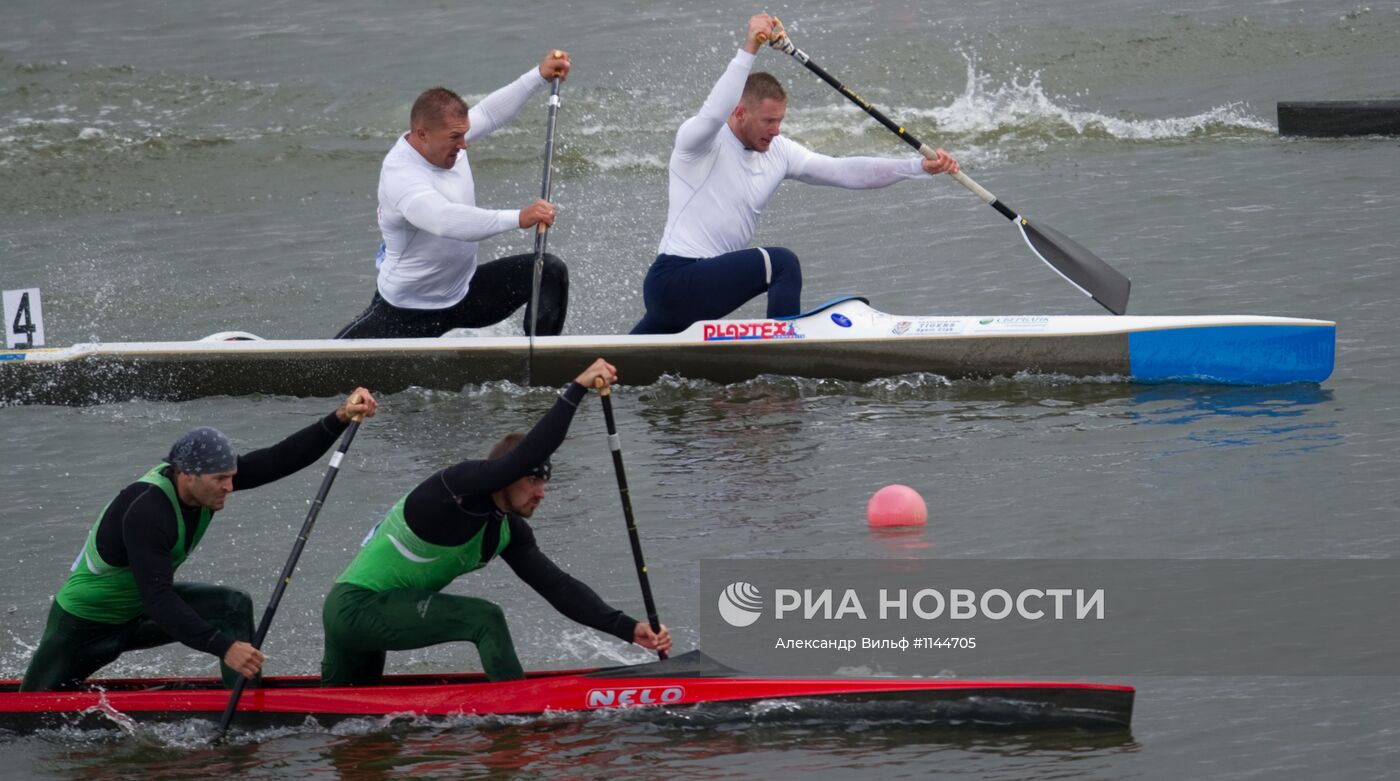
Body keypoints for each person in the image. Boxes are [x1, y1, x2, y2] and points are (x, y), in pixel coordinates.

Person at [320, 358, 671, 686]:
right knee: (485, 618)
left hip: (372, 616)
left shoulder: (507, 531)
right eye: (532, 480)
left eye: (544, 482)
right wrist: (577, 388)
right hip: (356, 607)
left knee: (343, 725)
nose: (541, 493)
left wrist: (629, 628)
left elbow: (558, 588)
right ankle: (522, 717)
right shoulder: (453, 489)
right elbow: (527, 455)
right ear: (509, 474)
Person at [20, 390, 380, 692]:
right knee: (29, 718)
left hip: (136, 613)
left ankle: (245, 708)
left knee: (231, 606)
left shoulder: (204, 483)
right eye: (221, 479)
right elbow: (159, 599)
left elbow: (278, 459)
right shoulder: (147, 511)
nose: (229, 486)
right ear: (187, 475)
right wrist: (224, 648)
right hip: (83, 626)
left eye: (232, 477)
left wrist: (341, 416)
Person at [630, 14, 962, 335]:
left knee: (617, 367)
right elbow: (715, 109)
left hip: (694, 297)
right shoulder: (699, 142)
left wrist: (916, 167)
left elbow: (845, 171)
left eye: (780, 121)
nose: (776, 130)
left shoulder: (779, 152)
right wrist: (749, 48)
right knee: (782, 264)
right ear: (740, 112)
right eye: (768, 121)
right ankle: (783, 349)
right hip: (674, 280)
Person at [336, 50, 573, 339]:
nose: (465, 144)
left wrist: (539, 76)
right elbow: (446, 221)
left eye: (465, 134)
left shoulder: (448, 140)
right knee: (320, 374)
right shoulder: (400, 176)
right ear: (422, 135)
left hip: (465, 295)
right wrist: (520, 217)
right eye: (455, 138)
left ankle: (540, 363)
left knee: (549, 271)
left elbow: (488, 113)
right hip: (406, 312)